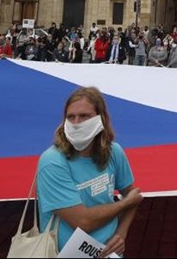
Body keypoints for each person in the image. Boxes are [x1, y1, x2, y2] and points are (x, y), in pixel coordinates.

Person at [36, 86, 143, 256]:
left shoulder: (114, 152)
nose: (76, 123)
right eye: (71, 117)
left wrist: (121, 233)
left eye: (84, 116)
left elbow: (132, 195)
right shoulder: (52, 162)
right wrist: (124, 203)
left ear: (100, 118)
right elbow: (82, 221)